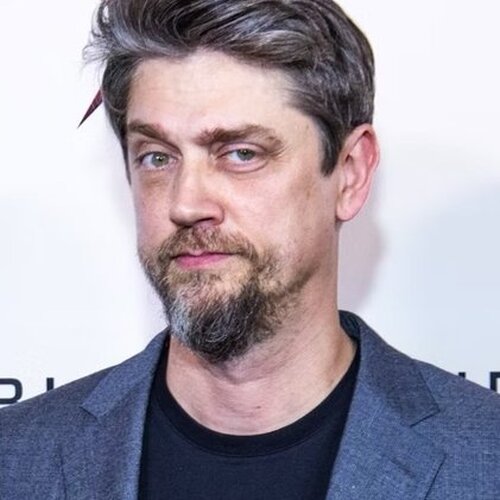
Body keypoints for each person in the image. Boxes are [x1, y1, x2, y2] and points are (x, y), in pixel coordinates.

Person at [1, 0, 499, 498]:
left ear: (350, 174)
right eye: (157, 157)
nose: (186, 203)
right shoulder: (17, 459)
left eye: (241, 154)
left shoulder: (486, 458)